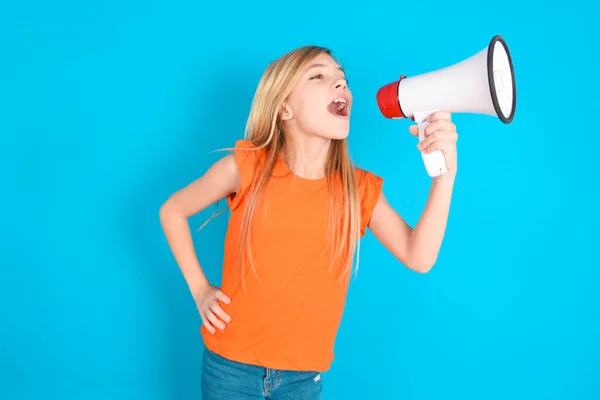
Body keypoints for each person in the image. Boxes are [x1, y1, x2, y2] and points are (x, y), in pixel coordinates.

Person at [159, 45, 458, 399]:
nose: (340, 85)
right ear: (284, 107)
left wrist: (445, 175)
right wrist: (200, 291)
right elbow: (172, 211)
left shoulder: (357, 189)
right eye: (319, 76)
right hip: (230, 369)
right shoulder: (247, 167)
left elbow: (418, 257)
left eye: (343, 80)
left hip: (303, 379)